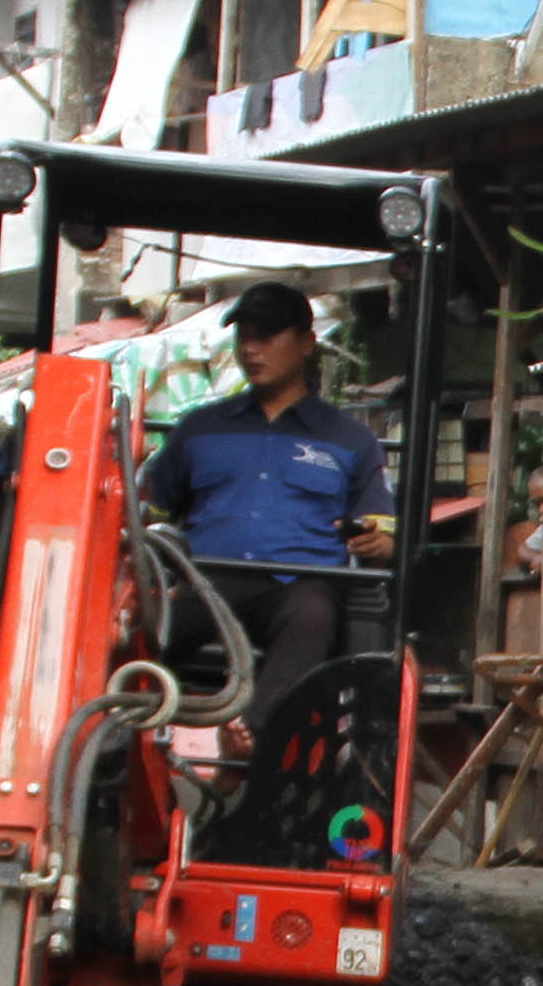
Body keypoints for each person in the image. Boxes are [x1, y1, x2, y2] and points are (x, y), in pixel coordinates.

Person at [135, 279, 394, 717]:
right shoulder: (199, 429)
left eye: (267, 337)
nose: (251, 349)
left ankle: (254, 736)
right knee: (136, 628)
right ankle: (123, 725)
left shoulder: (352, 440)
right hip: (207, 580)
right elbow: (150, 511)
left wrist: (377, 543)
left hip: (298, 587)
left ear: (307, 343)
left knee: (314, 615)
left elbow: (382, 532)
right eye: (244, 337)